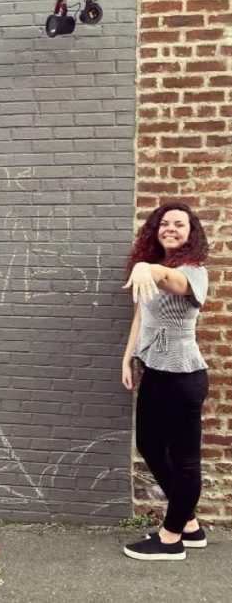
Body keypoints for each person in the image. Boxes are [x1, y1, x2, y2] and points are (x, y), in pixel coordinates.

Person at [120, 201, 210, 561]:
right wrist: (127, 357)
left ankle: (170, 539)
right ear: (155, 229)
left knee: (186, 461)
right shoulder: (150, 273)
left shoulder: (193, 272)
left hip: (184, 376)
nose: (170, 229)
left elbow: (172, 281)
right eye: (164, 224)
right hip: (154, 372)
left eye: (179, 225)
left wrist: (148, 266)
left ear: (191, 234)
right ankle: (190, 525)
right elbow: (141, 316)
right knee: (149, 445)